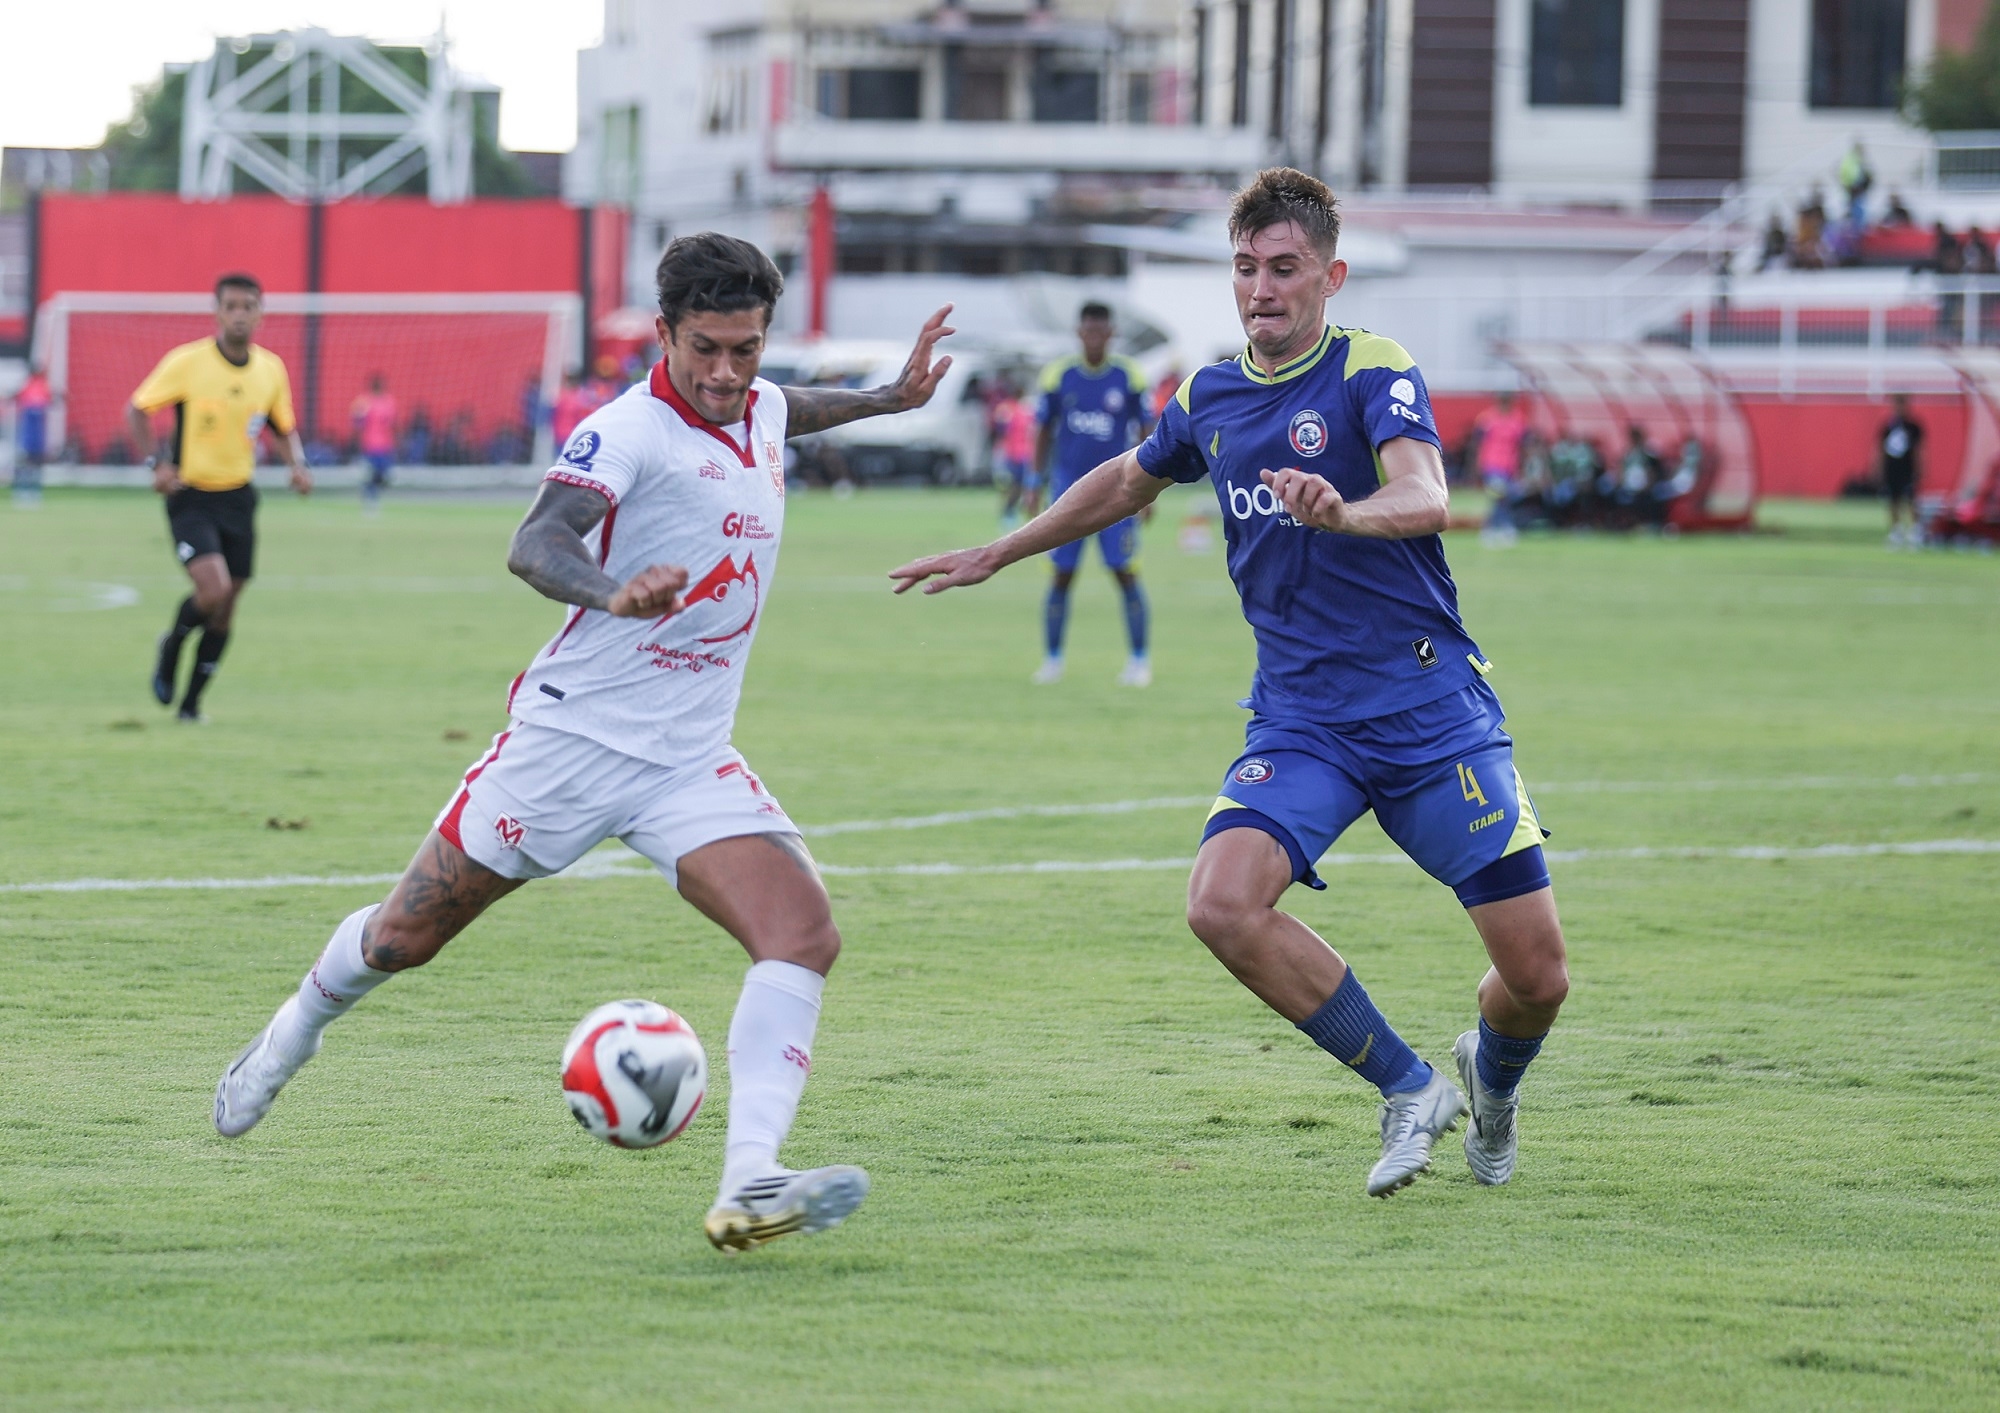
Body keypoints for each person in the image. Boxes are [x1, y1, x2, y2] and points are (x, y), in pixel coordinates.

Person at [210, 233, 957, 1255]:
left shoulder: (761, 406)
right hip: (570, 745)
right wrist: (612, 592)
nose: (726, 373)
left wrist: (887, 399)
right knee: (401, 940)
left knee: (802, 934)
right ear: (662, 334)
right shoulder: (628, 430)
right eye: (705, 349)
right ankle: (287, 1038)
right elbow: (536, 541)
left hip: (688, 756)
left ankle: (749, 1183)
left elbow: (790, 407)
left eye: (745, 349)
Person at [892, 168, 1568, 1198]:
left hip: (1429, 711)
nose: (1261, 288)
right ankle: (1409, 1086)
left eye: (1285, 268)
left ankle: (1494, 1080)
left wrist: (1344, 513)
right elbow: (1127, 478)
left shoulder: (1370, 367)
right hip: (1303, 722)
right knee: (1219, 903)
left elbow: (1425, 494)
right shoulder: (1209, 395)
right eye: (1246, 267)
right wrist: (1002, 548)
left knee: (1535, 977)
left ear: (1331, 277)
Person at [127, 273, 312, 722]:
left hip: (239, 499)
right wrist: (157, 465)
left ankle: (191, 706)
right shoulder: (188, 362)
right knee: (213, 589)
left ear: (261, 313)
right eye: (231, 306)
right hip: (191, 496)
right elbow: (138, 408)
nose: (239, 315)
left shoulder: (270, 370)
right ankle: (172, 644)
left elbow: (282, 426)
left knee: (226, 608)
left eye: (248, 306)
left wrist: (297, 466)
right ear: (217, 312)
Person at [1031, 302, 1155, 687]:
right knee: (1062, 575)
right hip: (1066, 491)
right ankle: (1052, 660)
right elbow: (1042, 431)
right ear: (1079, 333)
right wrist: (1034, 483)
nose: (1095, 338)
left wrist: (1150, 489)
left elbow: (1148, 432)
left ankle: (1139, 661)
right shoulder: (1060, 376)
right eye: (1089, 331)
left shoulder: (1128, 376)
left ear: (1111, 334)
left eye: (1102, 331)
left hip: (1118, 493)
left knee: (1124, 572)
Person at [1472, 391, 1529, 545]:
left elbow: (1522, 445)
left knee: (1505, 498)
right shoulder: (1487, 418)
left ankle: (1496, 528)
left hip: (1510, 465)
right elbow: (1478, 443)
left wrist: (1521, 466)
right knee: (1498, 496)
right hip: (1491, 464)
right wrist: (1477, 465)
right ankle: (1500, 527)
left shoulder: (1518, 419)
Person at [1879, 394, 1925, 547]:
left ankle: (1915, 531)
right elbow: (1881, 449)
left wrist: (1920, 468)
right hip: (1892, 469)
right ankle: (1896, 531)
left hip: (1908, 468)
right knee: (1893, 501)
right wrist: (1878, 469)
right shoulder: (1888, 426)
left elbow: (1919, 450)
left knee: (1911, 500)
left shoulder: (1913, 427)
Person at [993, 379, 1040, 525]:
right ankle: (1010, 512)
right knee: (1018, 485)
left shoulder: (1012, 409)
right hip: (1018, 454)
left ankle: (1014, 512)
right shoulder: (1017, 410)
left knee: (1020, 485)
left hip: (1018, 453)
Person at [351, 373, 398, 511]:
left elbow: (393, 424)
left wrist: (396, 442)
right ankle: (370, 499)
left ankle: (370, 493)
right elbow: (357, 424)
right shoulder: (364, 402)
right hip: (369, 446)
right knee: (369, 474)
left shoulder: (389, 402)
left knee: (385, 476)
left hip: (385, 446)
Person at [12, 363, 52, 504]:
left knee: (34, 462)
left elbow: (49, 400)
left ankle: (33, 491)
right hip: (28, 431)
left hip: (37, 432)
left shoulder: (41, 386)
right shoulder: (28, 386)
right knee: (26, 462)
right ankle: (22, 490)